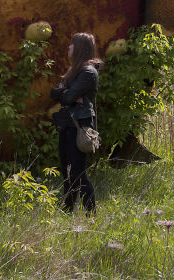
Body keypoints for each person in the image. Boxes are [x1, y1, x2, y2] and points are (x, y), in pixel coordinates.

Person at [49, 32, 101, 213]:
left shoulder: (88, 72)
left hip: (78, 127)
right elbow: (54, 93)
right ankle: (67, 209)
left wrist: (69, 94)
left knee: (78, 173)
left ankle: (90, 213)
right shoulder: (74, 71)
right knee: (67, 171)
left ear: (79, 48)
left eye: (71, 45)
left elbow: (67, 96)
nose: (68, 48)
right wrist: (69, 94)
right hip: (67, 125)